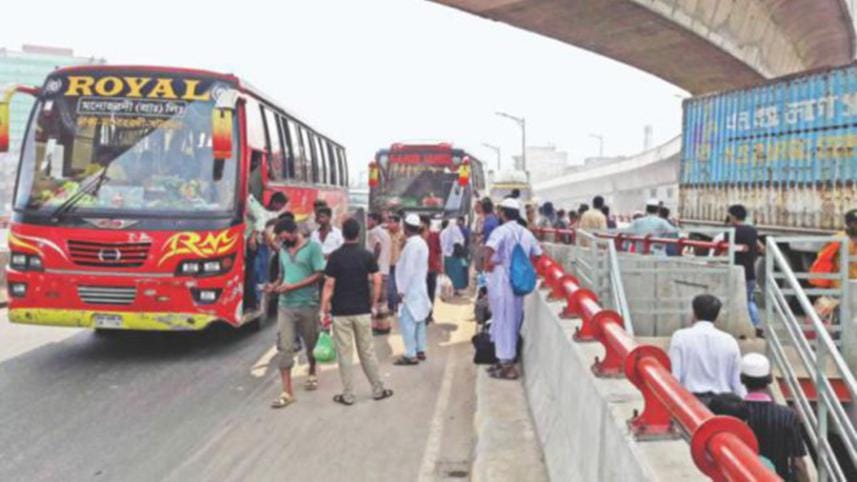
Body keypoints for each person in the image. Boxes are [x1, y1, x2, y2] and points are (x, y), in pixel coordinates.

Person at [322, 218, 394, 405]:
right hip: (362, 311)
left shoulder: (335, 257)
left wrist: (324, 309)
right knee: (367, 352)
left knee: (345, 355)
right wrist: (372, 302)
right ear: (358, 234)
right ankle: (378, 390)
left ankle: (348, 395)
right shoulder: (366, 255)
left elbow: (329, 285)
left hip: (340, 313)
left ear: (343, 234)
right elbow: (377, 281)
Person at [265, 218, 326, 409]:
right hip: (285, 306)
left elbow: (319, 274)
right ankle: (287, 392)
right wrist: (274, 286)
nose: (282, 241)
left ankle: (313, 371)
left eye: (284, 237)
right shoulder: (283, 250)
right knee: (285, 347)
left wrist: (294, 286)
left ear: (293, 232)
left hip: (308, 304)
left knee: (311, 344)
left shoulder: (313, 248)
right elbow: (282, 275)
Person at [484, 198, 543, 380]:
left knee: (502, 321)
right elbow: (538, 254)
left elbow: (489, 249)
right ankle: (504, 361)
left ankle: (507, 366)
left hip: (502, 281)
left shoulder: (501, 231)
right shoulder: (526, 233)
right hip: (518, 283)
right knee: (513, 320)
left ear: (502, 213)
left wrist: (488, 263)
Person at [740, 353, 810, 482]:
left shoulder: (734, 414)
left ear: (742, 379)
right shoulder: (787, 415)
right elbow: (798, 462)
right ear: (770, 379)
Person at [669, 294, 745, 405]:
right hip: (724, 405)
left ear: (694, 313)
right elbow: (737, 383)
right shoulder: (729, 340)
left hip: (690, 405)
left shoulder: (680, 337)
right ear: (717, 315)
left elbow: (674, 377)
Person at [394, 214, 432, 365]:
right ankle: (420, 350)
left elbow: (408, 270)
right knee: (419, 320)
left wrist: (401, 291)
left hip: (410, 290)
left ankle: (410, 354)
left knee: (408, 322)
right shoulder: (421, 243)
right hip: (419, 287)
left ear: (405, 228)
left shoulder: (412, 245)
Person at [726, 204, 762, 331]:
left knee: (738, 300)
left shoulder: (730, 231)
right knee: (749, 300)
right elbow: (759, 248)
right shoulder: (752, 230)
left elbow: (726, 250)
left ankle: (750, 325)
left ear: (733, 216)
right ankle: (756, 324)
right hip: (750, 272)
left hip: (736, 272)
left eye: (729, 214)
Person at [366, 212, 393, 333]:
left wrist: (372, 264)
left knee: (374, 299)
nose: (367, 222)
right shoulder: (385, 232)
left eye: (369, 219)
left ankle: (376, 327)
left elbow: (377, 247)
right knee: (383, 301)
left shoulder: (374, 232)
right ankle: (385, 326)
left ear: (375, 221)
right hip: (385, 270)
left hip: (376, 272)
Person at [422, 215, 442, 323]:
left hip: (431, 268)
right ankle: (422, 314)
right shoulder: (416, 237)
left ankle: (429, 314)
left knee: (430, 292)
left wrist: (441, 266)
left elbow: (439, 251)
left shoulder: (434, 236)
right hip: (420, 270)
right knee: (421, 292)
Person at [440, 218, 468, 295]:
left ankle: (447, 290)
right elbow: (462, 240)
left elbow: (441, 243)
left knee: (448, 273)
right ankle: (455, 289)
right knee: (456, 274)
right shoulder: (457, 232)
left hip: (446, 256)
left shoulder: (443, 232)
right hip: (455, 256)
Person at [386, 214, 404, 317]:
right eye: (389, 222)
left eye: (392, 222)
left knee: (397, 287)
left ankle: (396, 305)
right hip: (388, 264)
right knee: (390, 287)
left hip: (399, 265)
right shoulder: (385, 234)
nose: (389, 224)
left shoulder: (402, 235)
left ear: (398, 223)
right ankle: (391, 306)